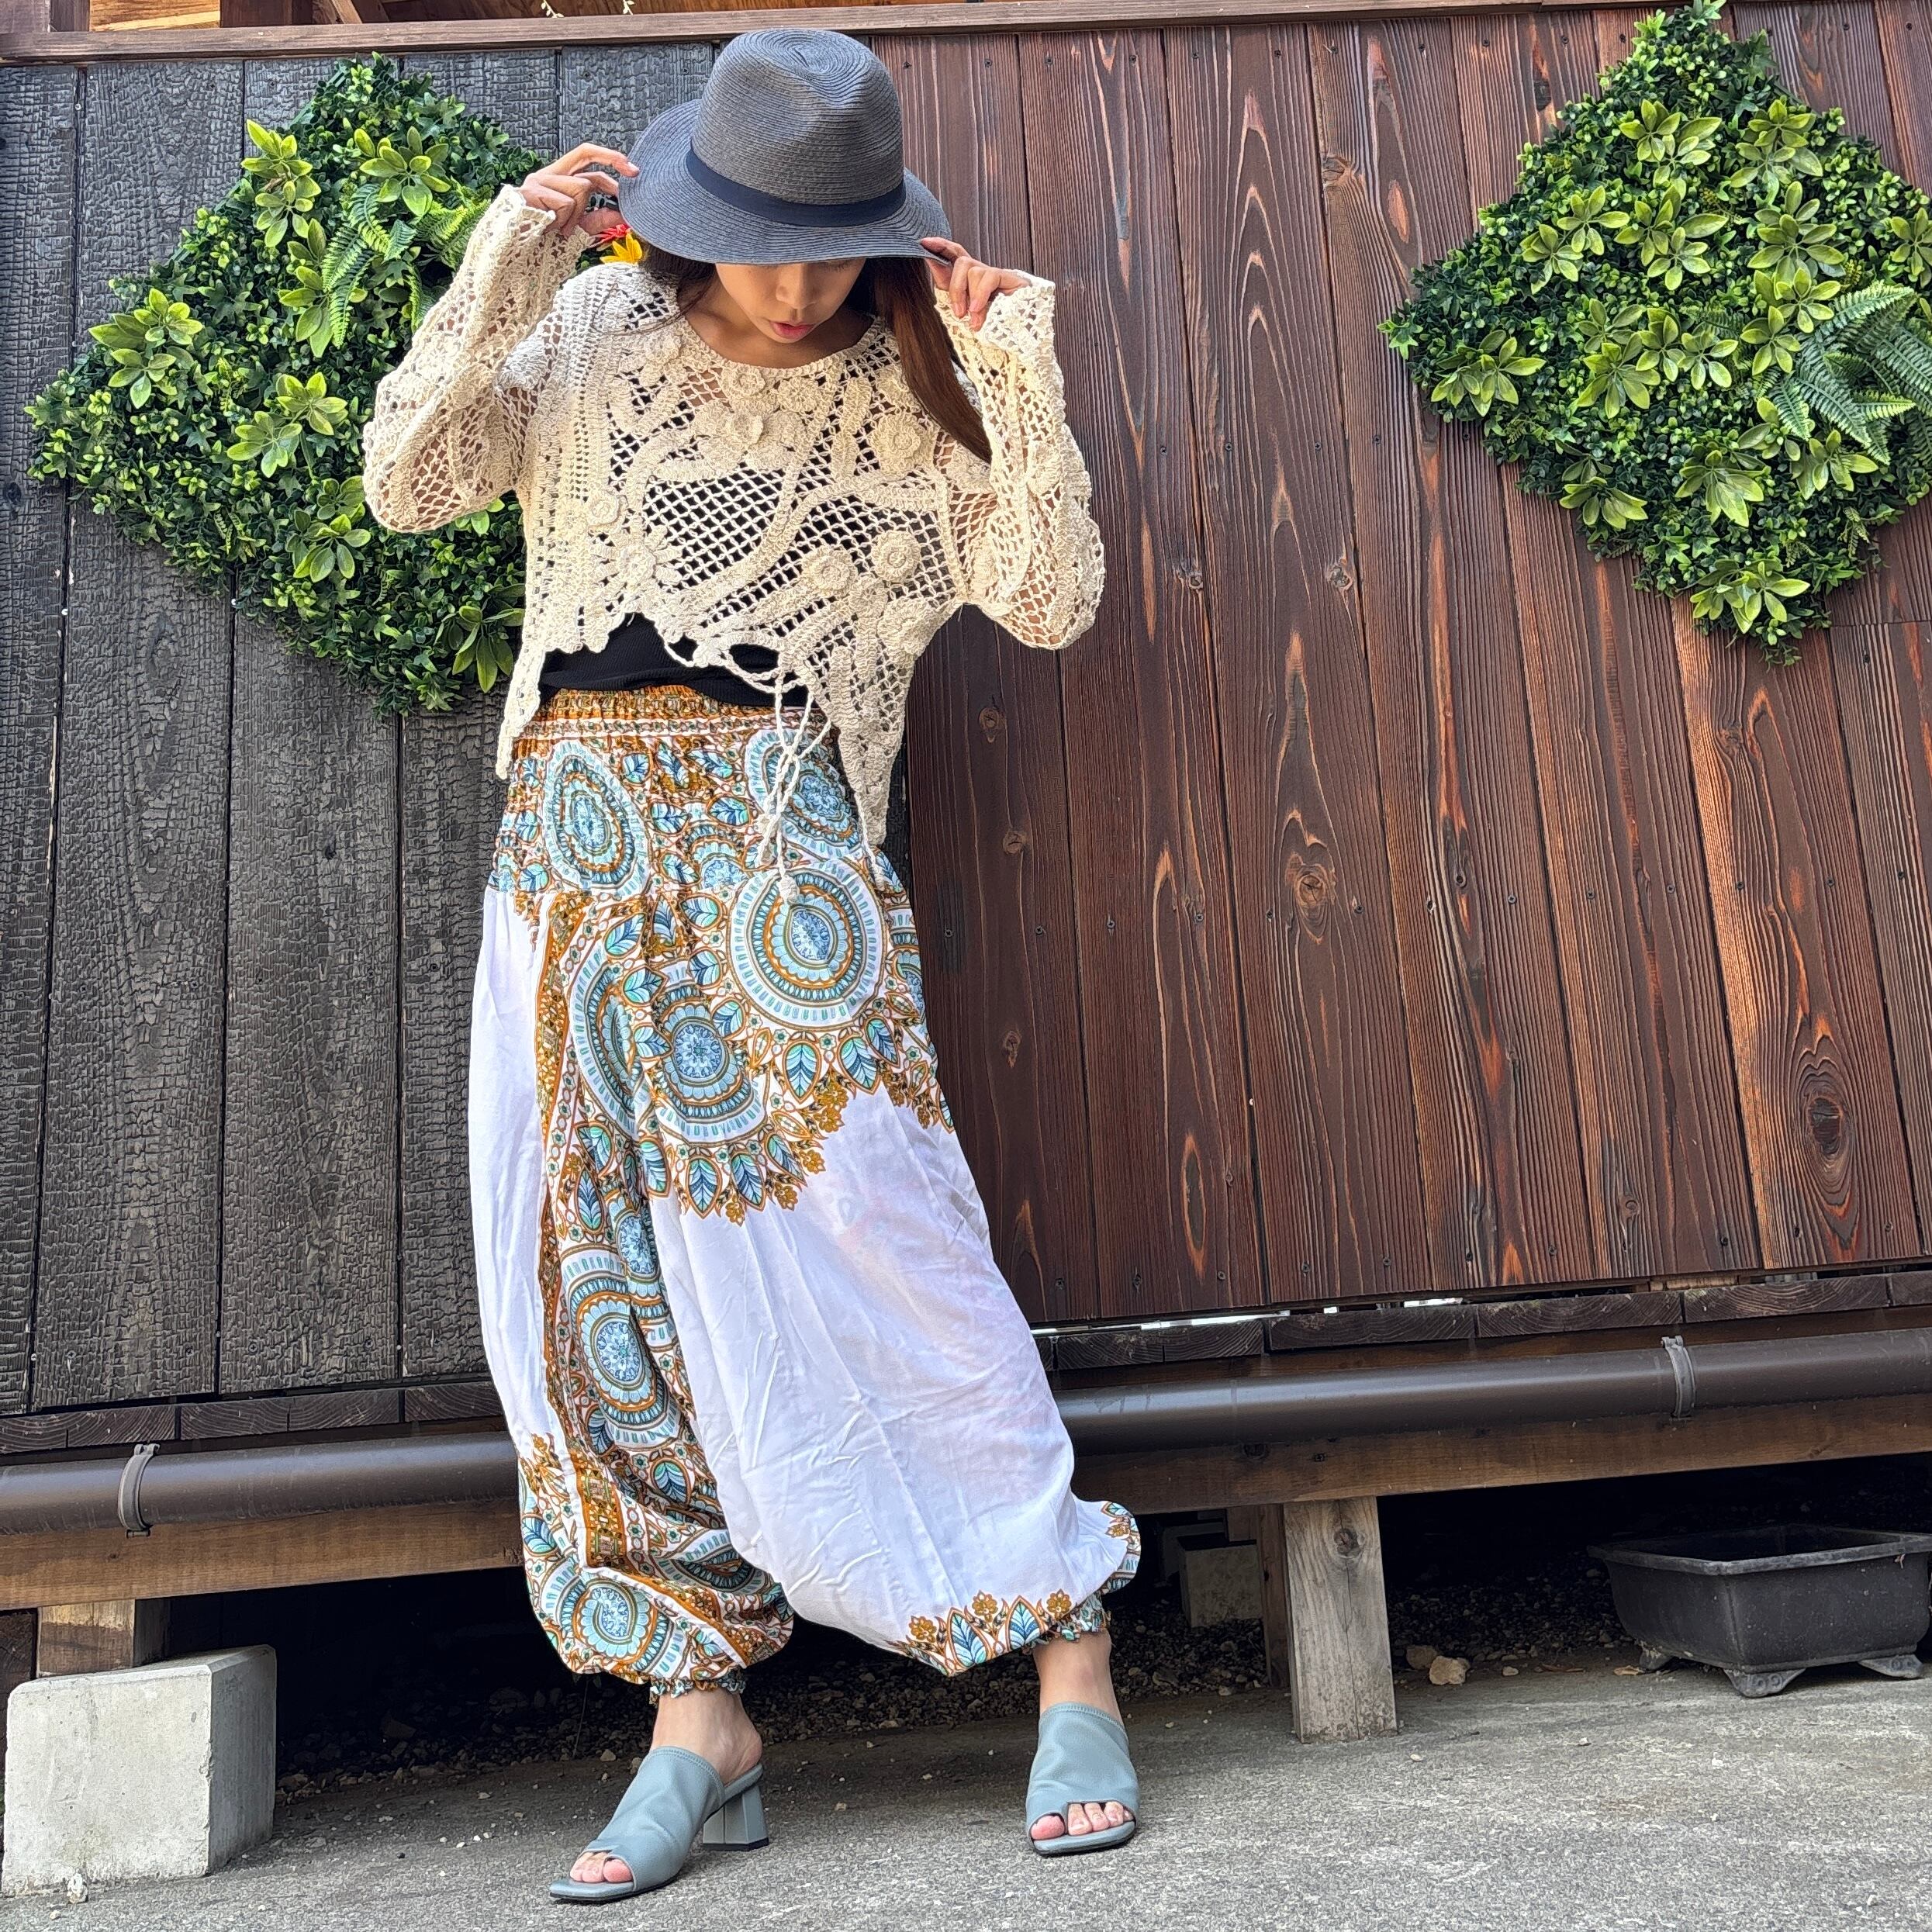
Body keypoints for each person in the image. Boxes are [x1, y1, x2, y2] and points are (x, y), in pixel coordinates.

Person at [361, 25, 1139, 1903]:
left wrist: (1013, 371)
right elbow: (412, 480)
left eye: (833, 250)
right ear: (695, 219)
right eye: (768, 247)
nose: (796, 291)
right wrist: (508, 263)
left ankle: (1068, 1645)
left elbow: (1047, 601)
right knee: (590, 1273)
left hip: (779, 837)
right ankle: (696, 1713)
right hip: (568, 847)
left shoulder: (915, 378)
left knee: (881, 1226)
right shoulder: (596, 334)